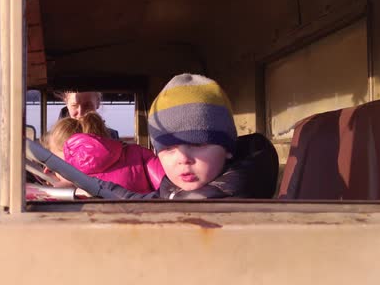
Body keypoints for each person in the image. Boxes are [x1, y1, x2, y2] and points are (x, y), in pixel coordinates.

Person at [93, 73, 279, 199]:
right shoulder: (173, 192)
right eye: (168, 148)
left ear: (228, 148)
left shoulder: (240, 205)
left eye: (198, 144)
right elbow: (141, 201)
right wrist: (95, 186)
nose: (182, 158)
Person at [42, 112, 164, 193]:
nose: (50, 170)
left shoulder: (66, 192)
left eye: (55, 163)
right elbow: (172, 191)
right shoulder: (140, 155)